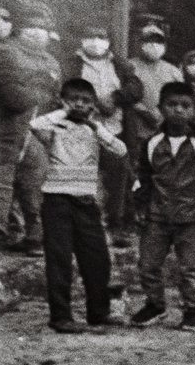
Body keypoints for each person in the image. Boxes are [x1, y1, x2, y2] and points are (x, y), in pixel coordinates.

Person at [29, 79, 128, 333]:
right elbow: (34, 124)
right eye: (74, 99)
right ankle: (60, 317)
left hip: (86, 201)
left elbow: (120, 149)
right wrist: (65, 112)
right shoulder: (54, 126)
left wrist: (95, 124)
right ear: (63, 101)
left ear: (93, 105)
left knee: (98, 259)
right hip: (56, 200)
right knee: (59, 259)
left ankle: (99, 311)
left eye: (86, 101)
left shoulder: (95, 130)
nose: (80, 104)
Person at [130, 80, 195, 331]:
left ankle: (192, 310)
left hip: (191, 217)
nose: (178, 110)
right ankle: (155, 304)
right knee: (148, 265)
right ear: (161, 107)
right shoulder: (152, 142)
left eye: (185, 105)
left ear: (194, 109)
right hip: (157, 215)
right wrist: (141, 207)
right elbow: (143, 178)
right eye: (172, 104)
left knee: (191, 268)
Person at [0, 1, 64, 253]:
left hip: (33, 129)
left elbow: (56, 97)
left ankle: (36, 236)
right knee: (1, 176)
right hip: (5, 127)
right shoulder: (6, 52)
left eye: (42, 27)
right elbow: (15, 98)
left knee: (37, 177)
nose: (36, 32)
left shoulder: (51, 61)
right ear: (19, 29)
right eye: (30, 26)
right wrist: (44, 84)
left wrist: (38, 86)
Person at [70, 22, 143, 245]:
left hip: (114, 131)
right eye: (91, 36)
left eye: (101, 36)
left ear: (108, 41)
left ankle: (117, 225)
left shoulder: (119, 64)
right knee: (80, 179)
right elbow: (62, 92)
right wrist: (92, 103)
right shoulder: (72, 64)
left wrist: (116, 97)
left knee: (119, 177)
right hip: (80, 131)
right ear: (82, 40)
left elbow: (136, 89)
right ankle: (80, 229)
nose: (96, 41)